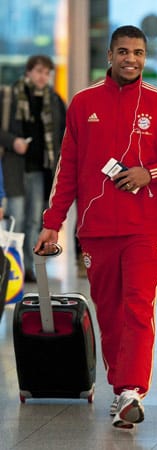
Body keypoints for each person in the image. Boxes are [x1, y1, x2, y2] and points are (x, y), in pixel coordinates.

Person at [34, 25, 157, 429]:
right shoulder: (83, 103)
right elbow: (67, 168)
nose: (131, 59)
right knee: (109, 314)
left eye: (139, 53)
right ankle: (119, 386)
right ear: (109, 56)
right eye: (123, 51)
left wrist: (150, 173)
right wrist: (52, 223)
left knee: (138, 307)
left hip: (146, 228)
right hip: (96, 230)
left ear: (146, 57)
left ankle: (132, 390)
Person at [2, 55, 66, 282]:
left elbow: (64, 132)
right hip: (15, 168)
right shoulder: (10, 95)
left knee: (34, 220)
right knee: (16, 218)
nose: (43, 77)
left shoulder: (54, 100)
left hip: (41, 170)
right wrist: (14, 142)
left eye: (47, 73)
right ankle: (10, 266)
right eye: (39, 71)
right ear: (29, 72)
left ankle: (29, 267)